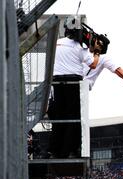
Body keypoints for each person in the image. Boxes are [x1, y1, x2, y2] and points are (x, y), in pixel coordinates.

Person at [47, 15, 102, 159]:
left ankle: (55, 151)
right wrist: (96, 52)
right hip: (73, 83)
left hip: (56, 83)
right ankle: (71, 150)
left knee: (59, 117)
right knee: (75, 117)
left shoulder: (56, 43)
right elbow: (94, 64)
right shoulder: (79, 47)